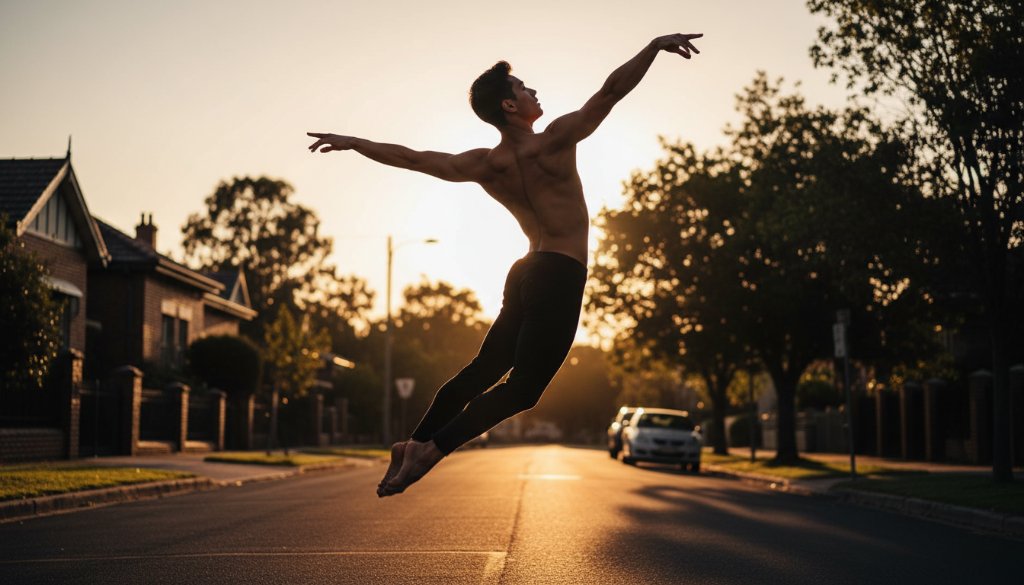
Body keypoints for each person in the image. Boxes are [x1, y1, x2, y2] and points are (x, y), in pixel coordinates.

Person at [307, 33, 703, 497]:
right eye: (522, 88)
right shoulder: (556, 139)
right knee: (525, 388)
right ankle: (431, 451)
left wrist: (353, 141)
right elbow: (611, 92)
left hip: (525, 271)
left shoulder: (484, 164)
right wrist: (653, 47)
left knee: (483, 369)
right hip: (558, 272)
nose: (533, 92)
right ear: (510, 107)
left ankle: (412, 442)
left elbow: (413, 159)